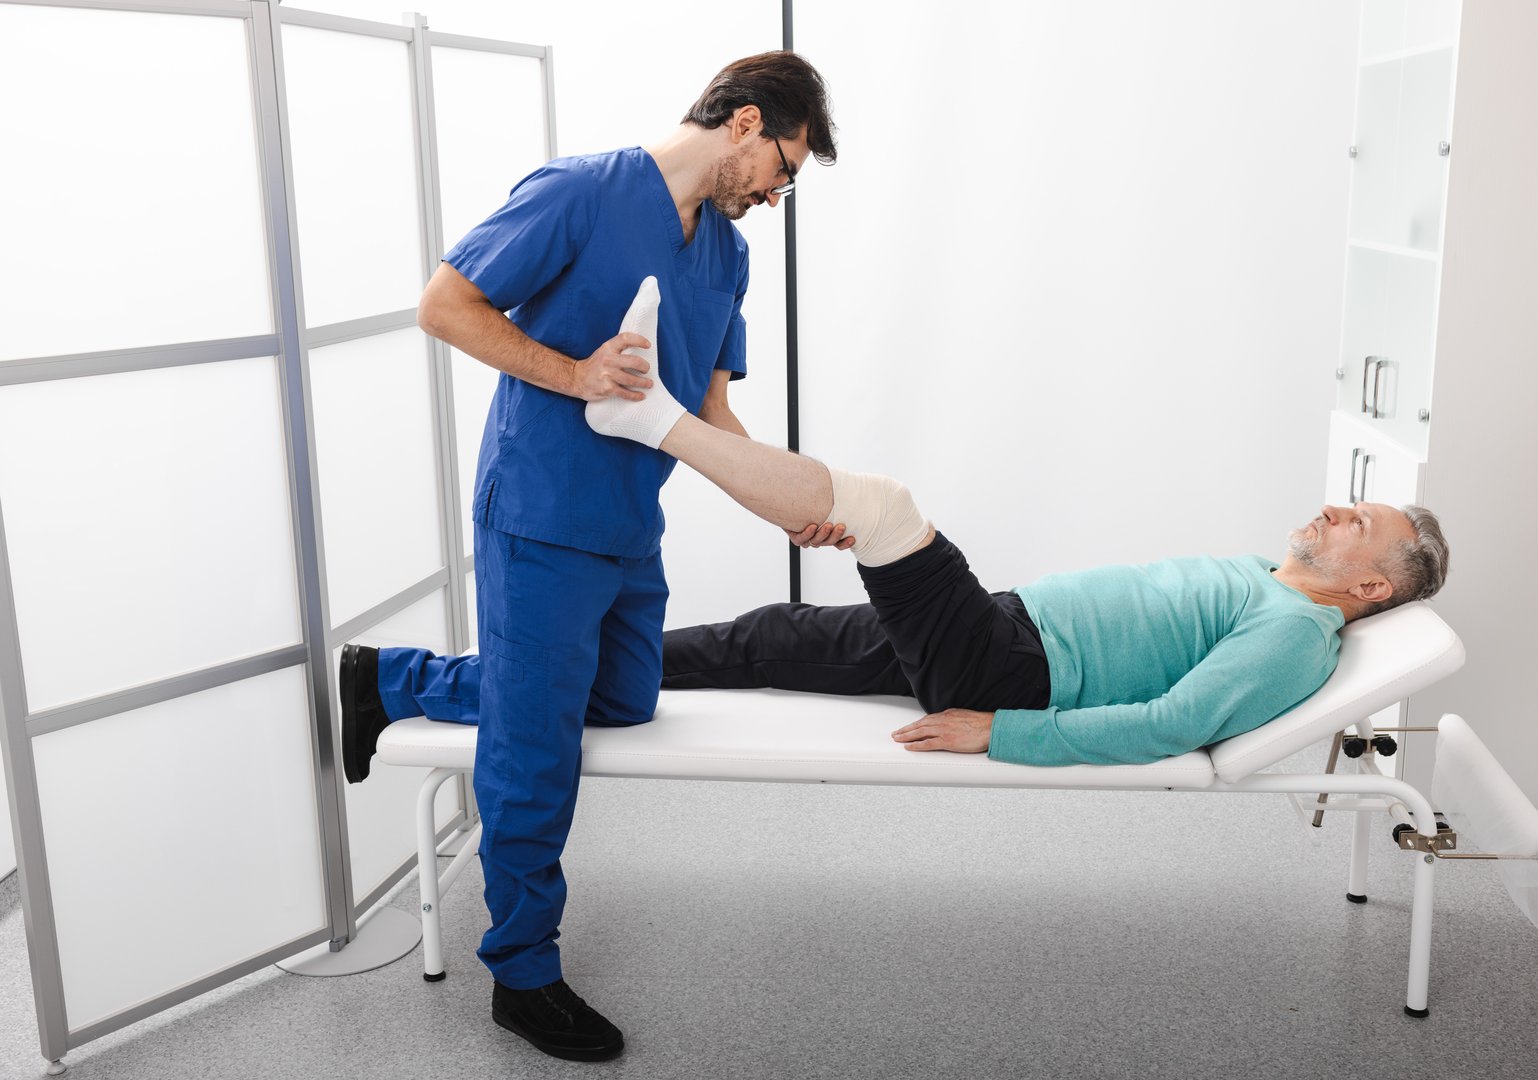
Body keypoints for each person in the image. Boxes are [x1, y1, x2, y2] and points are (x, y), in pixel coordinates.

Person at [343, 53, 839, 1064]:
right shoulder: (581, 191)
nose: (777, 193)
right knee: (537, 756)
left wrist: (784, 501)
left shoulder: (726, 257)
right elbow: (444, 306)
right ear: (745, 123)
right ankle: (521, 973)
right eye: (783, 169)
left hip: (626, 524)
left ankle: (394, 679)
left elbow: (710, 414)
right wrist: (574, 373)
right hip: (540, 513)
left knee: (622, 698)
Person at [346, 348, 1451, 771]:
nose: (1330, 512)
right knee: (763, 638)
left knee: (881, 509)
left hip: (1003, 671)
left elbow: (1178, 727)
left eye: (1356, 522)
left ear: (1365, 591)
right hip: (994, 631)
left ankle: (663, 426)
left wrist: (999, 729)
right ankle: (398, 683)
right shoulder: (1276, 581)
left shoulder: (1292, 633)